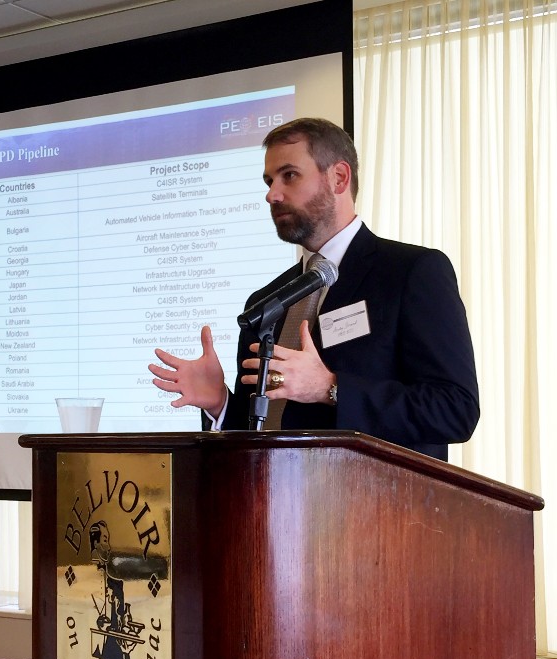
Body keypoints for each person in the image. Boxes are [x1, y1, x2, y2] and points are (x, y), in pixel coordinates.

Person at [148, 118, 479, 460]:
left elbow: (455, 410)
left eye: (289, 175)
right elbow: (260, 434)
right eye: (269, 180)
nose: (272, 194)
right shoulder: (266, 303)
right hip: (274, 505)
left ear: (338, 177)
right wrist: (219, 401)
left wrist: (330, 388)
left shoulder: (411, 272)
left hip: (377, 506)